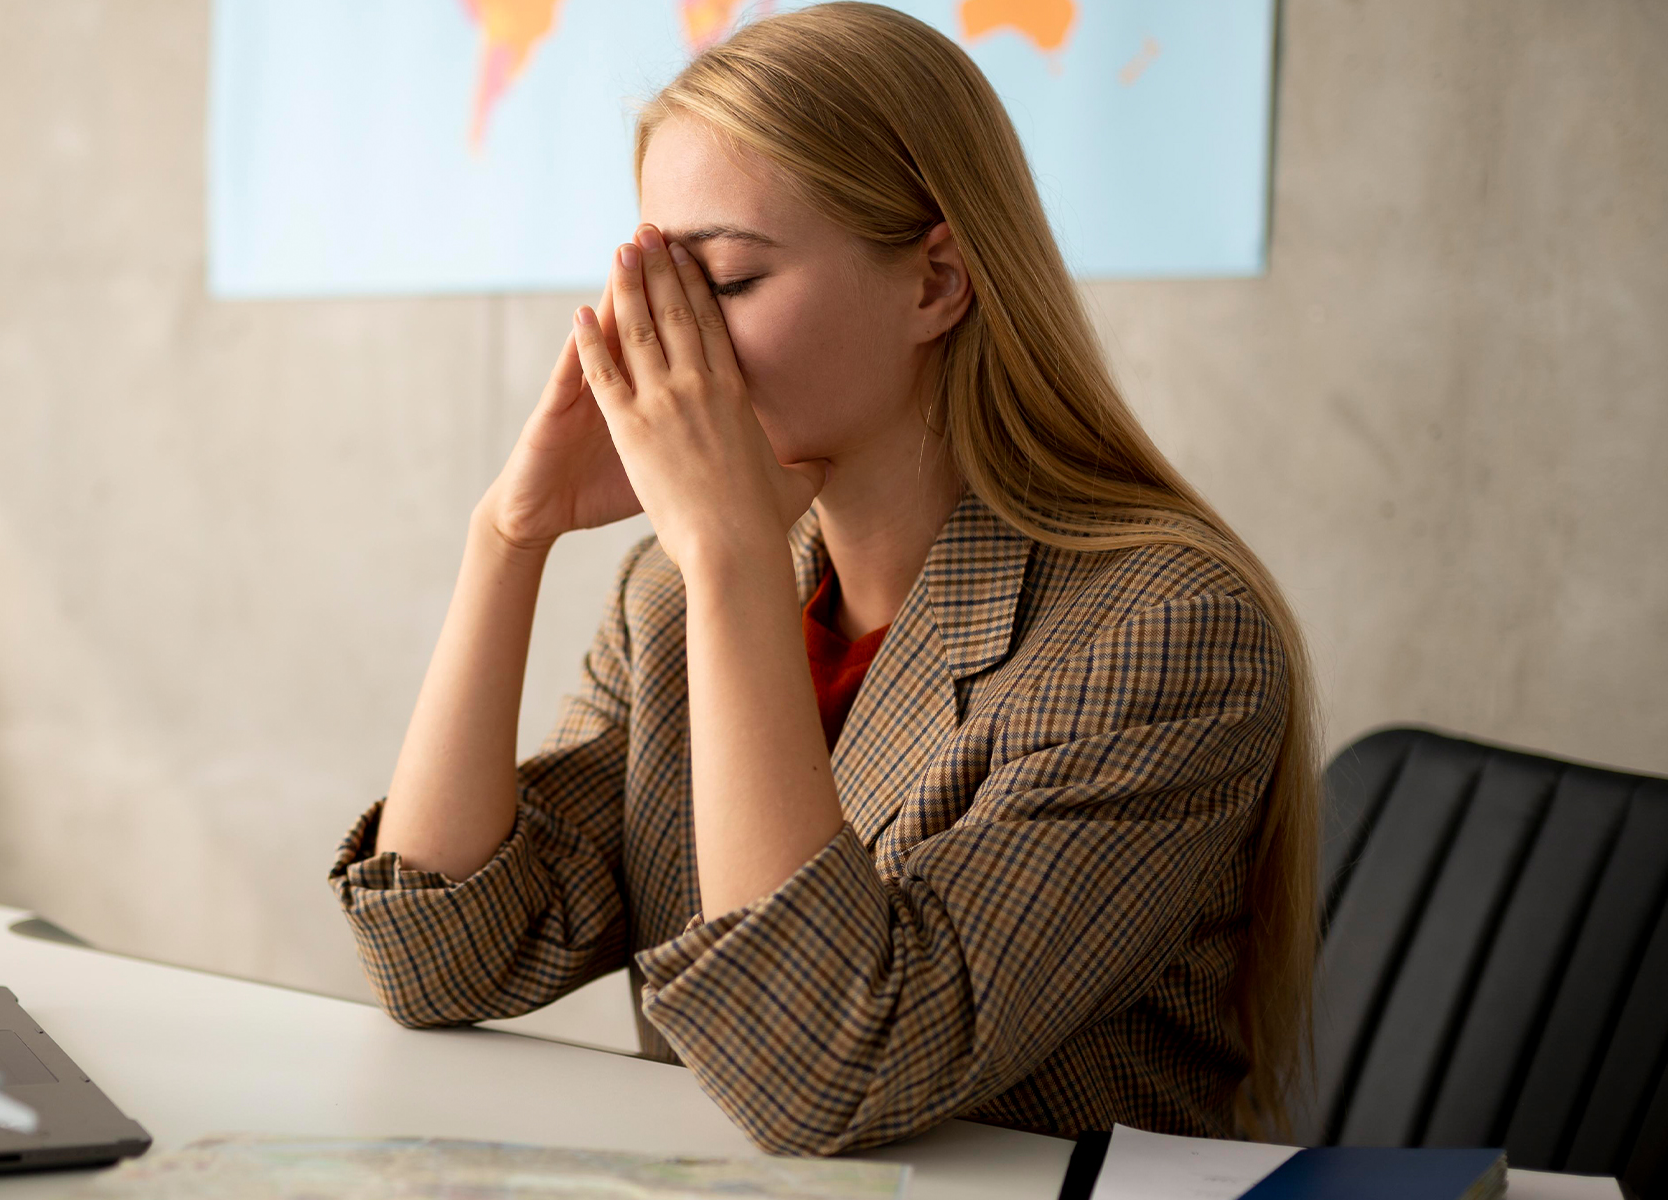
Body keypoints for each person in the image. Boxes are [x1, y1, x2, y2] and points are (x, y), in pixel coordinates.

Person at [328, 2, 1318, 1156]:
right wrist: (509, 535)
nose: (672, 342)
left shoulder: (1167, 635)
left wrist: (733, 559)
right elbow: (439, 959)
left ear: (935, 284)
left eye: (729, 282)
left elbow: (830, 1073)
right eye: (662, 286)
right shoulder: (676, 594)